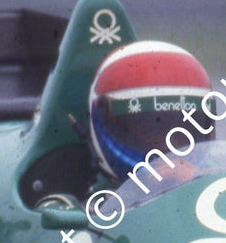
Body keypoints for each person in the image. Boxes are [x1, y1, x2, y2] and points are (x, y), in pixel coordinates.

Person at [87, 40, 215, 183]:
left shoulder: (217, 186)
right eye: (152, 134)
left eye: (181, 135)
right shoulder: (89, 205)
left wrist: (199, 182)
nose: (171, 165)